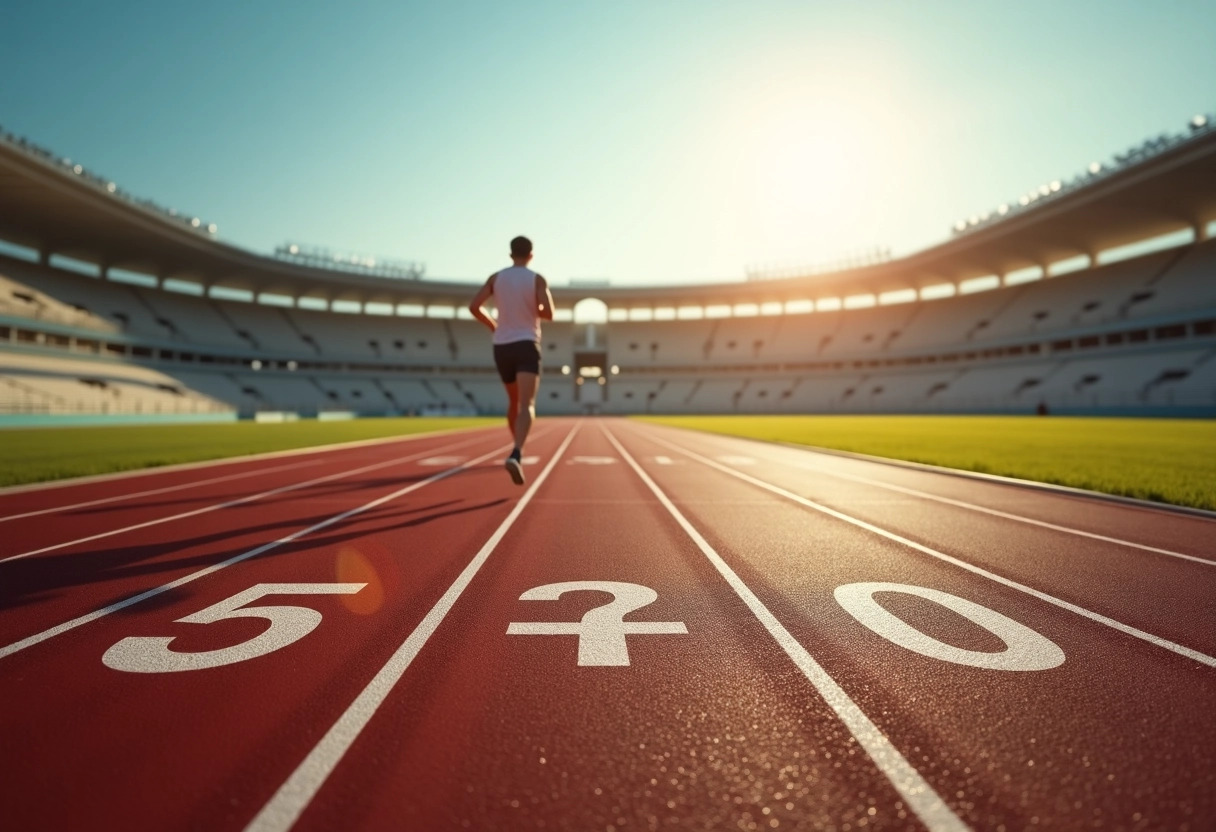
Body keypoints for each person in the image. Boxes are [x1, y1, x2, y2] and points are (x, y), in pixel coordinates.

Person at [468, 235, 555, 485]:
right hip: (526, 344)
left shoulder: (496, 278)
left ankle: (516, 447)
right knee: (527, 403)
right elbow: (548, 313)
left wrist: (494, 325)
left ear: (510, 254)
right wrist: (531, 309)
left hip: (502, 346)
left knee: (513, 401)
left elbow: (474, 306)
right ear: (531, 255)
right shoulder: (537, 279)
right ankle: (517, 451)